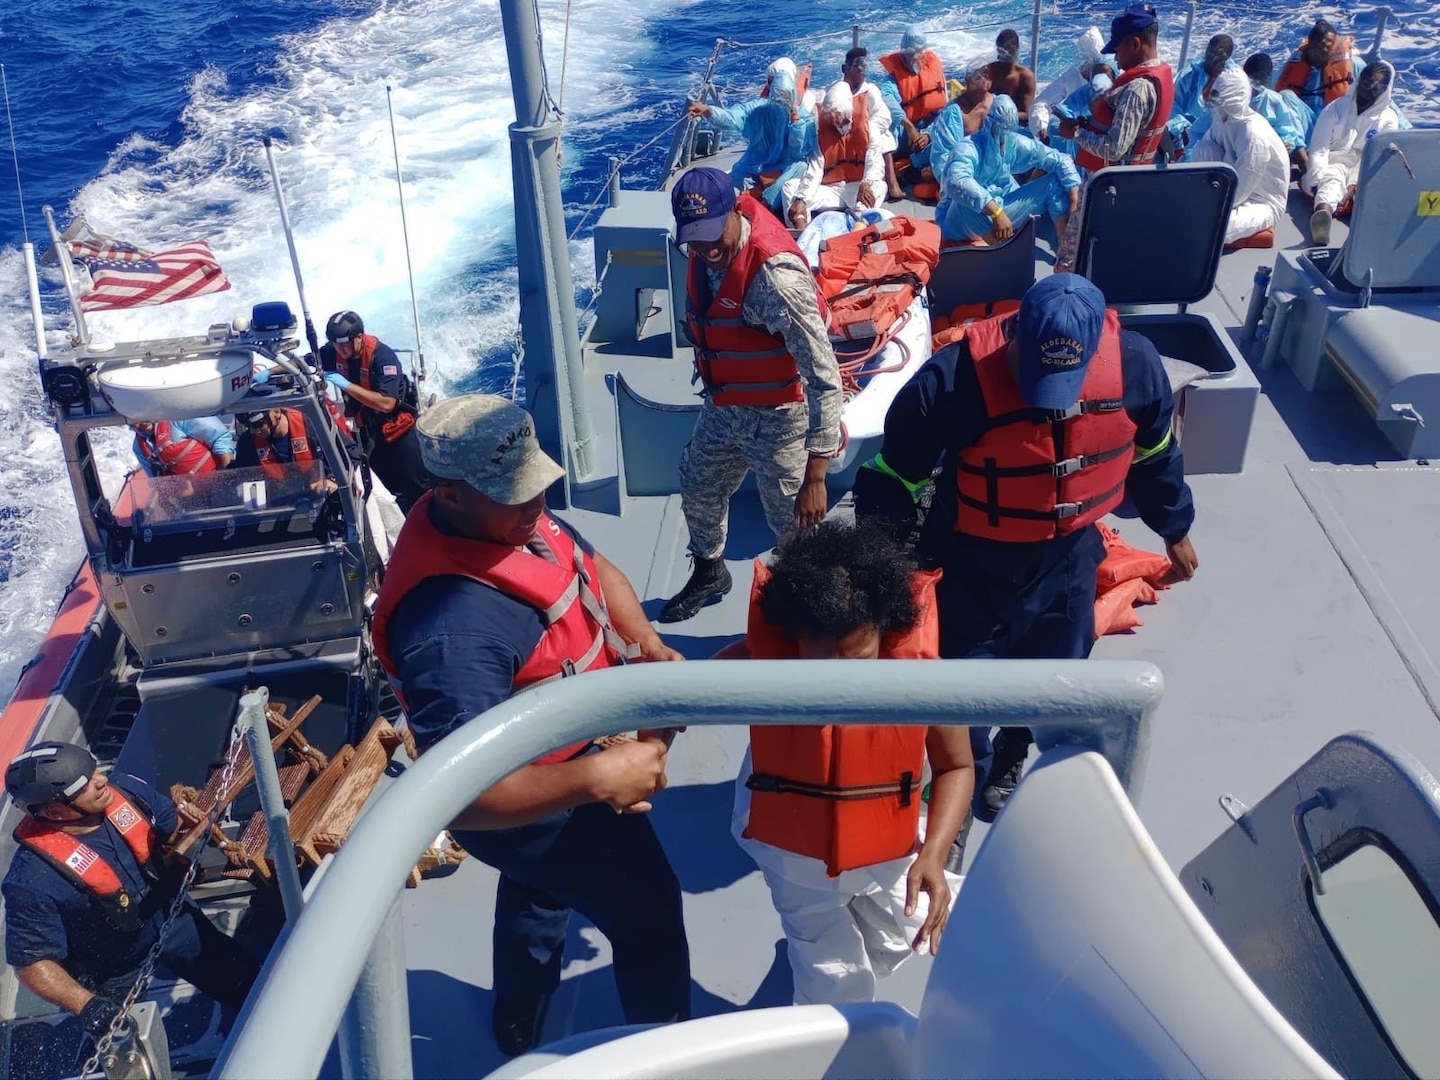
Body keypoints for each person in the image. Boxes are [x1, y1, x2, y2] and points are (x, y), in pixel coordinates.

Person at [371, 394, 691, 1056]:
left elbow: (591, 567)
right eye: (515, 495)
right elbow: (459, 796)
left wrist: (645, 641)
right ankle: (668, 1055)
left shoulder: (515, 523)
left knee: (539, 891)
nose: (536, 506)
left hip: (574, 763)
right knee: (650, 911)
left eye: (537, 487)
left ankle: (517, 1017)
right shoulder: (450, 630)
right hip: (542, 805)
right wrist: (599, 775)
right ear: (449, 493)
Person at [853, 274, 1198, 822]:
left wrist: (1174, 528)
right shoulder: (950, 380)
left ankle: (1015, 748)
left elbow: (1155, 453)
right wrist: (883, 579)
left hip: (1067, 562)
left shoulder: (1136, 366)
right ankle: (963, 774)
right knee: (961, 691)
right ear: (1015, 334)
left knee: (1056, 675)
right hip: (968, 562)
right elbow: (891, 479)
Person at [724, 520, 974, 1005]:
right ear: (795, 641)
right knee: (833, 980)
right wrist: (649, 739)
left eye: (855, 660)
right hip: (793, 851)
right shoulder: (757, 669)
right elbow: (670, 701)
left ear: (884, 632)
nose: (840, 685)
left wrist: (934, 856)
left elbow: (956, 768)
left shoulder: (927, 684)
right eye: (823, 666)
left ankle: (862, 929)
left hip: (894, 839)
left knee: (903, 938)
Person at [660, 167, 843, 624]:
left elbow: (823, 375)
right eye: (695, 240)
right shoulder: (705, 254)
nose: (706, 250)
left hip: (782, 416)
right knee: (698, 484)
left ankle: (807, 606)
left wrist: (816, 473)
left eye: (712, 234)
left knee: (793, 524)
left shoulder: (775, 281)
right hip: (726, 406)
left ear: (734, 210)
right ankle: (709, 572)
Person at [3, 744, 259, 1048]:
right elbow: (31, 964)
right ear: (55, 811)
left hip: (170, 916)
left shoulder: (127, 793)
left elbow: (173, 826)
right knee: (119, 1043)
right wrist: (87, 1006)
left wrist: (205, 801)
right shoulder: (32, 880)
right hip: (110, 963)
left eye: (94, 770)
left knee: (239, 978)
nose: (100, 780)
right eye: (83, 784)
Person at [318, 311, 430, 515]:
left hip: (398, 426)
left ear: (359, 337)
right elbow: (306, 362)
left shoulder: (383, 358)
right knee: (381, 486)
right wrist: (268, 373)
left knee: (415, 484)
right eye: (334, 344)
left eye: (344, 344)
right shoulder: (334, 351)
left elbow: (387, 403)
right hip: (368, 429)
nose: (339, 349)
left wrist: (346, 384)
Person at [937, 94, 1081, 245]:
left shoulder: (1012, 142)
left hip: (1000, 206)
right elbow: (957, 181)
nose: (1003, 137)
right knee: (965, 200)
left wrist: (1074, 198)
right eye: (998, 130)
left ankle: (1065, 254)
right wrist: (995, 212)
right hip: (959, 222)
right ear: (988, 123)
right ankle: (1000, 251)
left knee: (1055, 183)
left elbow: (1060, 159)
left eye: (1007, 131)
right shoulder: (967, 147)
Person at [1058, 2, 1175, 172]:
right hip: (1133, 180)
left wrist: (1076, 132)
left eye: (1117, 51)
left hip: (1115, 187)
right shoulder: (1160, 77)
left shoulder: (1137, 89)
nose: (1116, 60)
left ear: (1135, 44)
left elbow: (1114, 148)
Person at [1187, 67, 1290, 248]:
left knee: (1217, 227)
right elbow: (1201, 156)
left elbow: (1244, 185)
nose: (1213, 102)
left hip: (1261, 201)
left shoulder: (1253, 134)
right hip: (1232, 189)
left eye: (1219, 97)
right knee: (1203, 147)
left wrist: (1205, 212)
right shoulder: (1222, 122)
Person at [1304, 60, 1402, 245]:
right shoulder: (1335, 108)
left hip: (1364, 170)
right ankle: (1322, 216)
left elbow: (1373, 158)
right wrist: (1317, 180)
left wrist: (1353, 186)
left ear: (1384, 89)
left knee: (1377, 193)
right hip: (1331, 163)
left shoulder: (1388, 119)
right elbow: (1319, 149)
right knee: (1332, 179)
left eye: (1376, 86)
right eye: (1366, 82)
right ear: (1359, 80)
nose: (1369, 89)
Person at [689, 60, 810, 195]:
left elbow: (798, 151)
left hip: (785, 170)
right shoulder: (755, 108)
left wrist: (796, 122)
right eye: (771, 81)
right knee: (726, 192)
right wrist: (709, 111)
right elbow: (731, 118)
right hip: (753, 170)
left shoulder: (803, 117)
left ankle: (765, 200)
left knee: (801, 168)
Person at [782, 81, 886, 229]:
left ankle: (859, 223)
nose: (839, 123)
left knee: (880, 186)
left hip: (855, 189)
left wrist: (866, 183)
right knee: (789, 187)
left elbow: (875, 162)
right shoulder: (820, 132)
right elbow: (814, 169)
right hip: (829, 190)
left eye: (843, 118)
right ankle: (801, 229)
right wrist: (801, 199)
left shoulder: (870, 130)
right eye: (835, 118)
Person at [878, 26, 949, 172]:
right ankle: (912, 164)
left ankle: (912, 164)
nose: (910, 59)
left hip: (930, 128)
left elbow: (943, 111)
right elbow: (889, 100)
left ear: (924, 53)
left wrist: (928, 134)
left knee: (952, 128)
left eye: (914, 54)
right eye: (907, 54)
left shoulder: (934, 70)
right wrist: (910, 128)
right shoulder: (891, 79)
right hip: (905, 132)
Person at [842, 48, 904, 201]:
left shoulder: (871, 91)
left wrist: (865, 128)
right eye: (857, 65)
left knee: (883, 133)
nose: (861, 70)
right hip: (844, 136)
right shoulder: (837, 92)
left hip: (867, 137)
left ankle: (891, 181)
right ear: (845, 68)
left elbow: (884, 116)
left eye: (864, 66)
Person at [1029, 27, 1110, 141]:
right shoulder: (1073, 76)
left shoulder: (1119, 75)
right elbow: (1042, 102)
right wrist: (1041, 128)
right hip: (1080, 139)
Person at [1244, 52, 1316, 173]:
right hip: (1253, 149)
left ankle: (1305, 165)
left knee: (1287, 96)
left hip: (1299, 139)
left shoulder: (1274, 99)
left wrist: (1286, 143)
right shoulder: (1236, 99)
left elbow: (1287, 128)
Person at [1165, 34, 1236, 155]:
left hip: (1218, 140)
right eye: (1210, 52)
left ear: (1227, 57)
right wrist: (1182, 128)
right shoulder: (1189, 76)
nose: (1212, 59)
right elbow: (1172, 104)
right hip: (1183, 138)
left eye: (1218, 55)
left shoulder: (1233, 80)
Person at [1276, 19, 1354, 115]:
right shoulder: (1293, 66)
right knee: (1286, 95)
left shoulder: (1352, 65)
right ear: (1310, 46)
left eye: (1330, 47)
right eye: (1321, 47)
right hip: (1301, 120)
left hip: (1333, 119)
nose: (1326, 51)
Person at [129, 417, 235, 477]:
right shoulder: (139, 447)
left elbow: (220, 438)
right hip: (190, 496)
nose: (141, 421)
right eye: (133, 419)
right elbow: (156, 480)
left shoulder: (178, 416)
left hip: (220, 475)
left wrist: (228, 477)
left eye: (140, 414)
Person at [986, 29, 1037, 123]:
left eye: (1008, 51)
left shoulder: (1025, 76)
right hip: (987, 122)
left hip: (1014, 126)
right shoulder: (988, 71)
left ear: (1016, 50)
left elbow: (1026, 114)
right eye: (1001, 51)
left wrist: (1002, 117)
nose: (1005, 55)